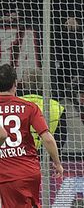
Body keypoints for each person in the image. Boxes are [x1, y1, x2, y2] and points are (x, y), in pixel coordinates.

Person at [0, 64, 64, 208]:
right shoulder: (29, 107)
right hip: (29, 171)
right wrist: (57, 163)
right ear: (15, 83)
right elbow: (47, 138)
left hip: (8, 174)